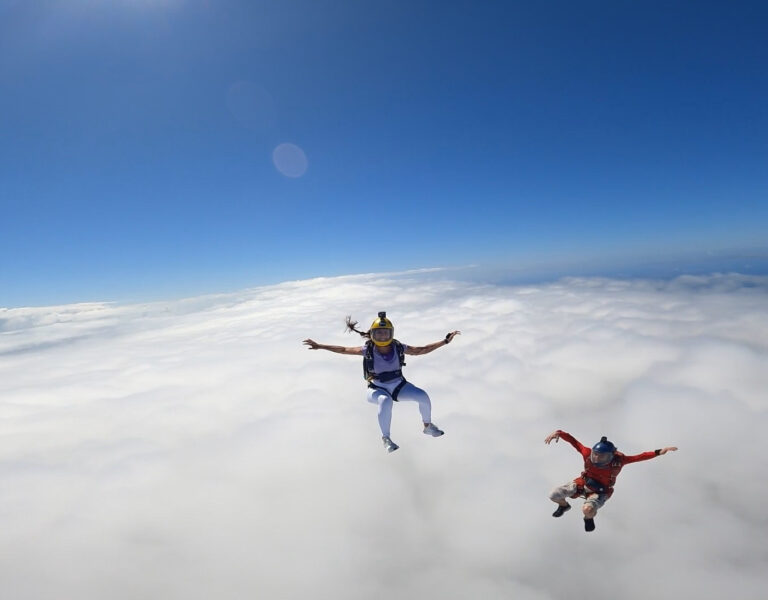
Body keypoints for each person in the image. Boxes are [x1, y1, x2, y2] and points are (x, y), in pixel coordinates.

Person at [303, 312, 460, 453]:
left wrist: (445, 341)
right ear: (372, 335)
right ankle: (386, 438)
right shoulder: (368, 350)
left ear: (391, 334)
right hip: (376, 389)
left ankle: (428, 427)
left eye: (386, 333)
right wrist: (320, 346)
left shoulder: (398, 347)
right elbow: (344, 349)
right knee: (385, 401)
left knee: (423, 396)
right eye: (379, 334)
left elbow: (421, 350)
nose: (383, 337)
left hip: (398, 385)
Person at [544, 429, 678, 531]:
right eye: (595, 455)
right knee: (553, 494)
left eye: (601, 457)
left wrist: (659, 452)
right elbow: (575, 442)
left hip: (601, 490)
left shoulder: (619, 461)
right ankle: (564, 506)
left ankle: (588, 519)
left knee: (588, 510)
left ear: (610, 456)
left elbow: (639, 457)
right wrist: (559, 433)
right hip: (583, 482)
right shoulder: (587, 454)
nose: (596, 459)